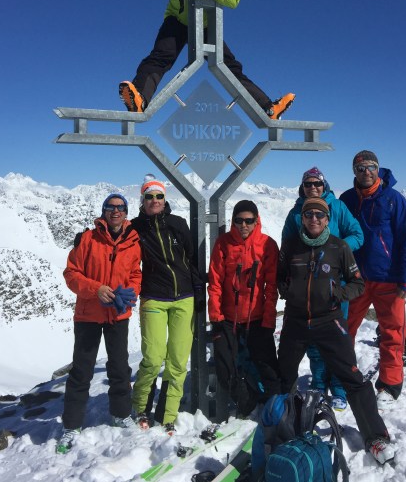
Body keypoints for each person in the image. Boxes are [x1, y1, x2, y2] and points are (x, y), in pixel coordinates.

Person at [119, 0, 294, 119]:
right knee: (161, 57)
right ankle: (138, 100)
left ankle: (268, 109)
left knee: (230, 67)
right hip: (178, 20)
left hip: (205, 25)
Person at [277, 197, 394, 464]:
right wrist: (287, 290)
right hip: (295, 321)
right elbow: (280, 275)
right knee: (284, 375)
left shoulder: (339, 247)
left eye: (319, 214)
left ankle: (376, 436)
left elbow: (357, 283)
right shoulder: (291, 245)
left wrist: (338, 294)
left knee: (352, 378)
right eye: (309, 214)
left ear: (327, 219)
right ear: (302, 218)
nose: (314, 219)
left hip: (329, 321)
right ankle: (282, 425)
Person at [57, 194, 142, 454]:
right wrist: (97, 290)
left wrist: (131, 292)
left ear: (126, 212)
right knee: (81, 371)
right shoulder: (87, 239)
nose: (116, 211)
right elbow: (71, 274)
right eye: (110, 207)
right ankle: (72, 425)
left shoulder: (133, 242)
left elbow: (136, 274)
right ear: (104, 211)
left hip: (117, 314)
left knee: (119, 367)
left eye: (120, 207)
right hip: (88, 315)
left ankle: (121, 414)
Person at [340, 150, 406, 410]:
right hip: (356, 278)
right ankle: (345, 378)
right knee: (344, 330)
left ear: (378, 168)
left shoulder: (394, 199)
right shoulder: (347, 199)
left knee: (393, 333)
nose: (366, 172)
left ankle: (389, 385)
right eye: (360, 168)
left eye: (371, 166)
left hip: (389, 279)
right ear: (354, 171)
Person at [282, 167, 364, 412]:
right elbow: (286, 246)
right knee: (313, 344)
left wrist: (335, 249)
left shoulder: (337, 207)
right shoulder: (295, 213)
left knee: (338, 342)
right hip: (305, 289)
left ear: (324, 185)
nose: (313, 188)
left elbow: (357, 234)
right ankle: (319, 382)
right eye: (308, 184)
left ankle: (339, 387)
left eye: (317, 183)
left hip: (334, 286)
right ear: (302, 187)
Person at [131, 174, 203, 434]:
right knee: (153, 357)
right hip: (153, 297)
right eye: (149, 196)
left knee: (177, 361)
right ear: (143, 200)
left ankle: (167, 415)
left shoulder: (178, 224)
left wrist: (198, 291)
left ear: (165, 198)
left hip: (184, 298)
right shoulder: (134, 228)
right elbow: (113, 240)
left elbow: (192, 259)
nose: (155, 200)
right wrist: (89, 237)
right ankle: (140, 406)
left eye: (159, 195)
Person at [208, 200, 280, 415]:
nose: (244, 225)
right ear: (233, 221)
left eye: (249, 220)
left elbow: (271, 286)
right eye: (239, 220)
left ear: (257, 221)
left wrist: (268, 319)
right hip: (227, 318)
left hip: (256, 317)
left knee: (268, 367)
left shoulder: (267, 245)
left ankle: (275, 409)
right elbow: (215, 282)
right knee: (224, 369)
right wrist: (216, 316)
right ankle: (246, 403)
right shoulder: (223, 243)